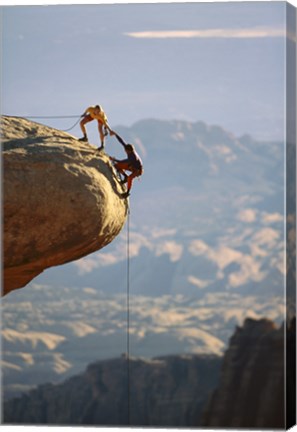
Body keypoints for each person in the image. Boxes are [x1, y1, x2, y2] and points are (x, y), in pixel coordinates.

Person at [110, 133, 143, 198]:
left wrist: (114, 159)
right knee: (117, 166)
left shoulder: (133, 157)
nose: (125, 151)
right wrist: (115, 134)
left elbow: (123, 162)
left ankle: (127, 193)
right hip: (131, 166)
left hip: (138, 170)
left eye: (126, 151)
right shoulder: (129, 149)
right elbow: (121, 141)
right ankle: (125, 177)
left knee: (130, 178)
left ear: (129, 151)